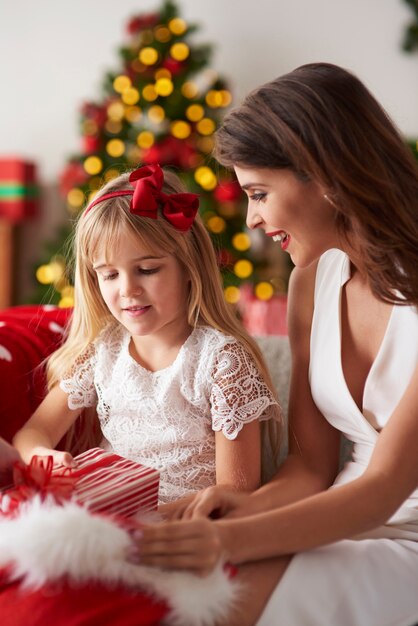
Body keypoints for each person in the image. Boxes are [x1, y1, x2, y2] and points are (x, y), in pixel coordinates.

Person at [135, 63, 418, 626]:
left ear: (327, 175)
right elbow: (310, 465)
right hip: (331, 515)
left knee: (221, 595)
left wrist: (233, 542)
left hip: (395, 530)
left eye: (259, 193)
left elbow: (385, 487)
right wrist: (238, 511)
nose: (252, 218)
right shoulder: (310, 284)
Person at [13, 163, 281, 507]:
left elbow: (236, 492)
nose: (128, 290)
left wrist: (144, 521)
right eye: (109, 275)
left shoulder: (222, 361)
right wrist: (41, 456)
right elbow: (33, 433)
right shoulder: (102, 352)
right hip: (104, 516)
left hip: (185, 530)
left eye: (147, 270)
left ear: (190, 266)